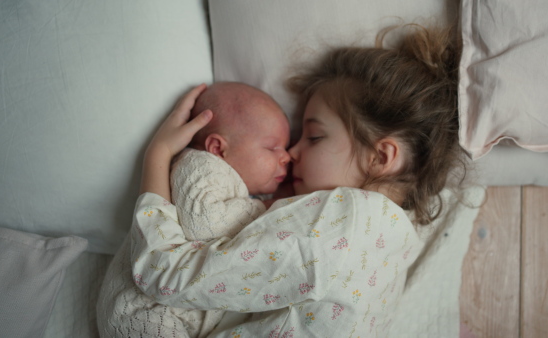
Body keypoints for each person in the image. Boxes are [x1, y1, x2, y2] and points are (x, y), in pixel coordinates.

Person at [129, 23, 466, 337]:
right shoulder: (398, 244)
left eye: (314, 137)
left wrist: (158, 155)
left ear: (380, 157)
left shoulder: (336, 224)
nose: (291, 152)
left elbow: (165, 274)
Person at [96, 82, 291, 338]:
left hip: (173, 310)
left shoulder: (229, 183)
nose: (286, 156)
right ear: (218, 148)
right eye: (273, 147)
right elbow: (203, 223)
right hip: (144, 310)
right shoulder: (200, 166)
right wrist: (265, 208)